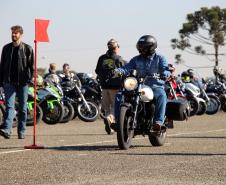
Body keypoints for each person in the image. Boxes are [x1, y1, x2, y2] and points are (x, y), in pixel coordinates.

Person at [114, 35, 170, 131]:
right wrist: (116, 71)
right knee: (119, 95)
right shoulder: (136, 59)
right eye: (140, 46)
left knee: (161, 95)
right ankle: (119, 123)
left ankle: (158, 122)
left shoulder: (160, 58)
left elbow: (166, 69)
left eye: (143, 47)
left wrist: (165, 73)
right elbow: (126, 68)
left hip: (155, 86)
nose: (141, 49)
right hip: (138, 86)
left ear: (151, 47)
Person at [0, 25, 34, 139]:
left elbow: (31, 67)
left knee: (23, 108)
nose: (13, 35)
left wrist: (31, 79)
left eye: (16, 33)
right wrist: (1, 81)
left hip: (23, 83)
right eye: (12, 33)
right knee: (9, 107)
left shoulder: (28, 49)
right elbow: (2, 66)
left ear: (21, 34)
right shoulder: (6, 48)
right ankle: (7, 130)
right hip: (8, 82)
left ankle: (22, 131)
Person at [95, 39, 126, 134]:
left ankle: (110, 126)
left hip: (104, 87)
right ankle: (109, 119)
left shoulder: (101, 58)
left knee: (107, 108)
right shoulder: (118, 59)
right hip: (115, 87)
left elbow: (97, 71)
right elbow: (124, 72)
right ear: (116, 47)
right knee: (115, 107)